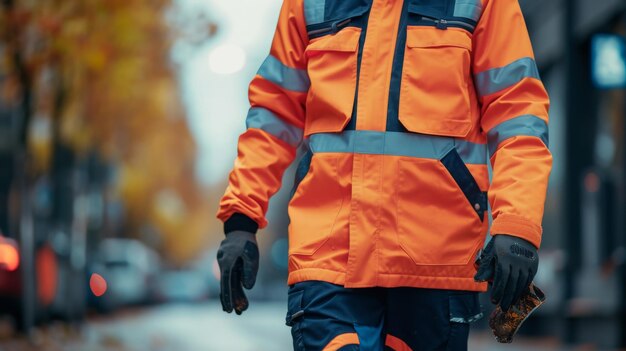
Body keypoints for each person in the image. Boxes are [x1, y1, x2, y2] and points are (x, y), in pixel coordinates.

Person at [216, 0, 551, 349]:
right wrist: (241, 217)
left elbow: (517, 114)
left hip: (434, 259)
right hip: (328, 258)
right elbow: (274, 114)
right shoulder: (307, 4)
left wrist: (517, 223)